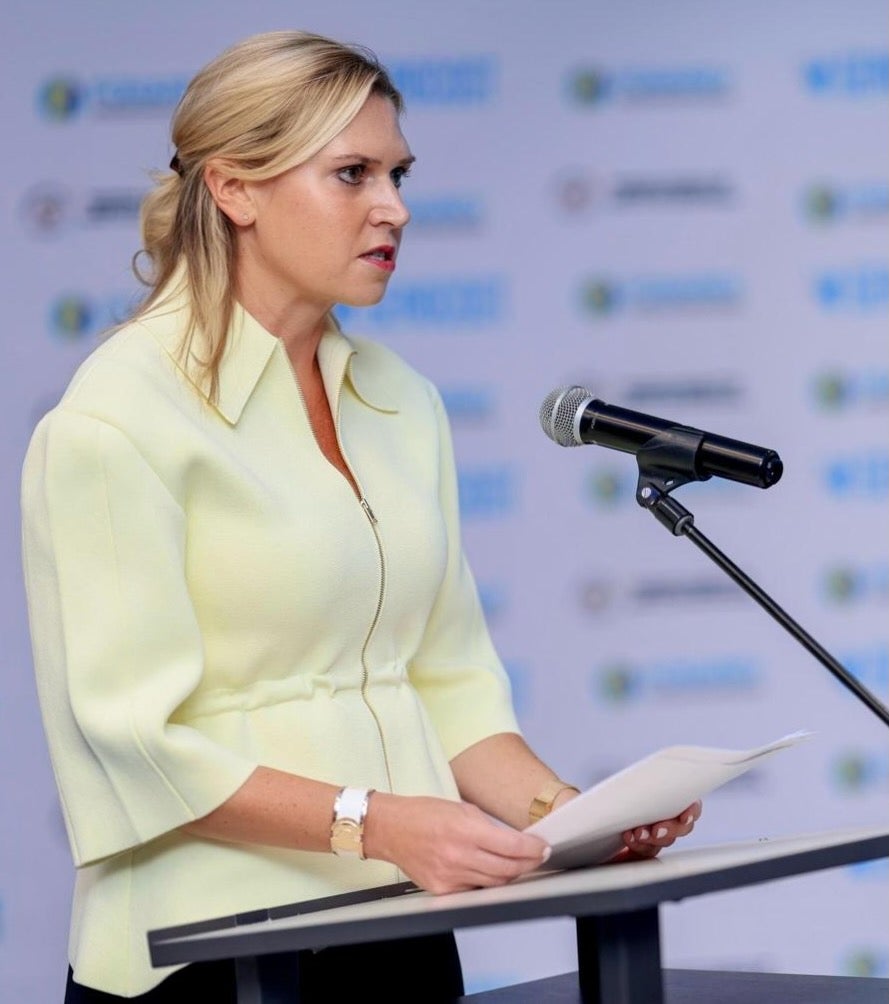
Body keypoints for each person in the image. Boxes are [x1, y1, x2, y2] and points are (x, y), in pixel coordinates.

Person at [20, 30, 701, 1003]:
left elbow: (451, 683)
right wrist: (377, 820)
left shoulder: (401, 401)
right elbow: (135, 738)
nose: (395, 207)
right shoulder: (115, 419)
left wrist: (575, 814)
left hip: (399, 929)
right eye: (352, 174)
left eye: (397, 173)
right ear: (233, 189)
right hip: (207, 954)